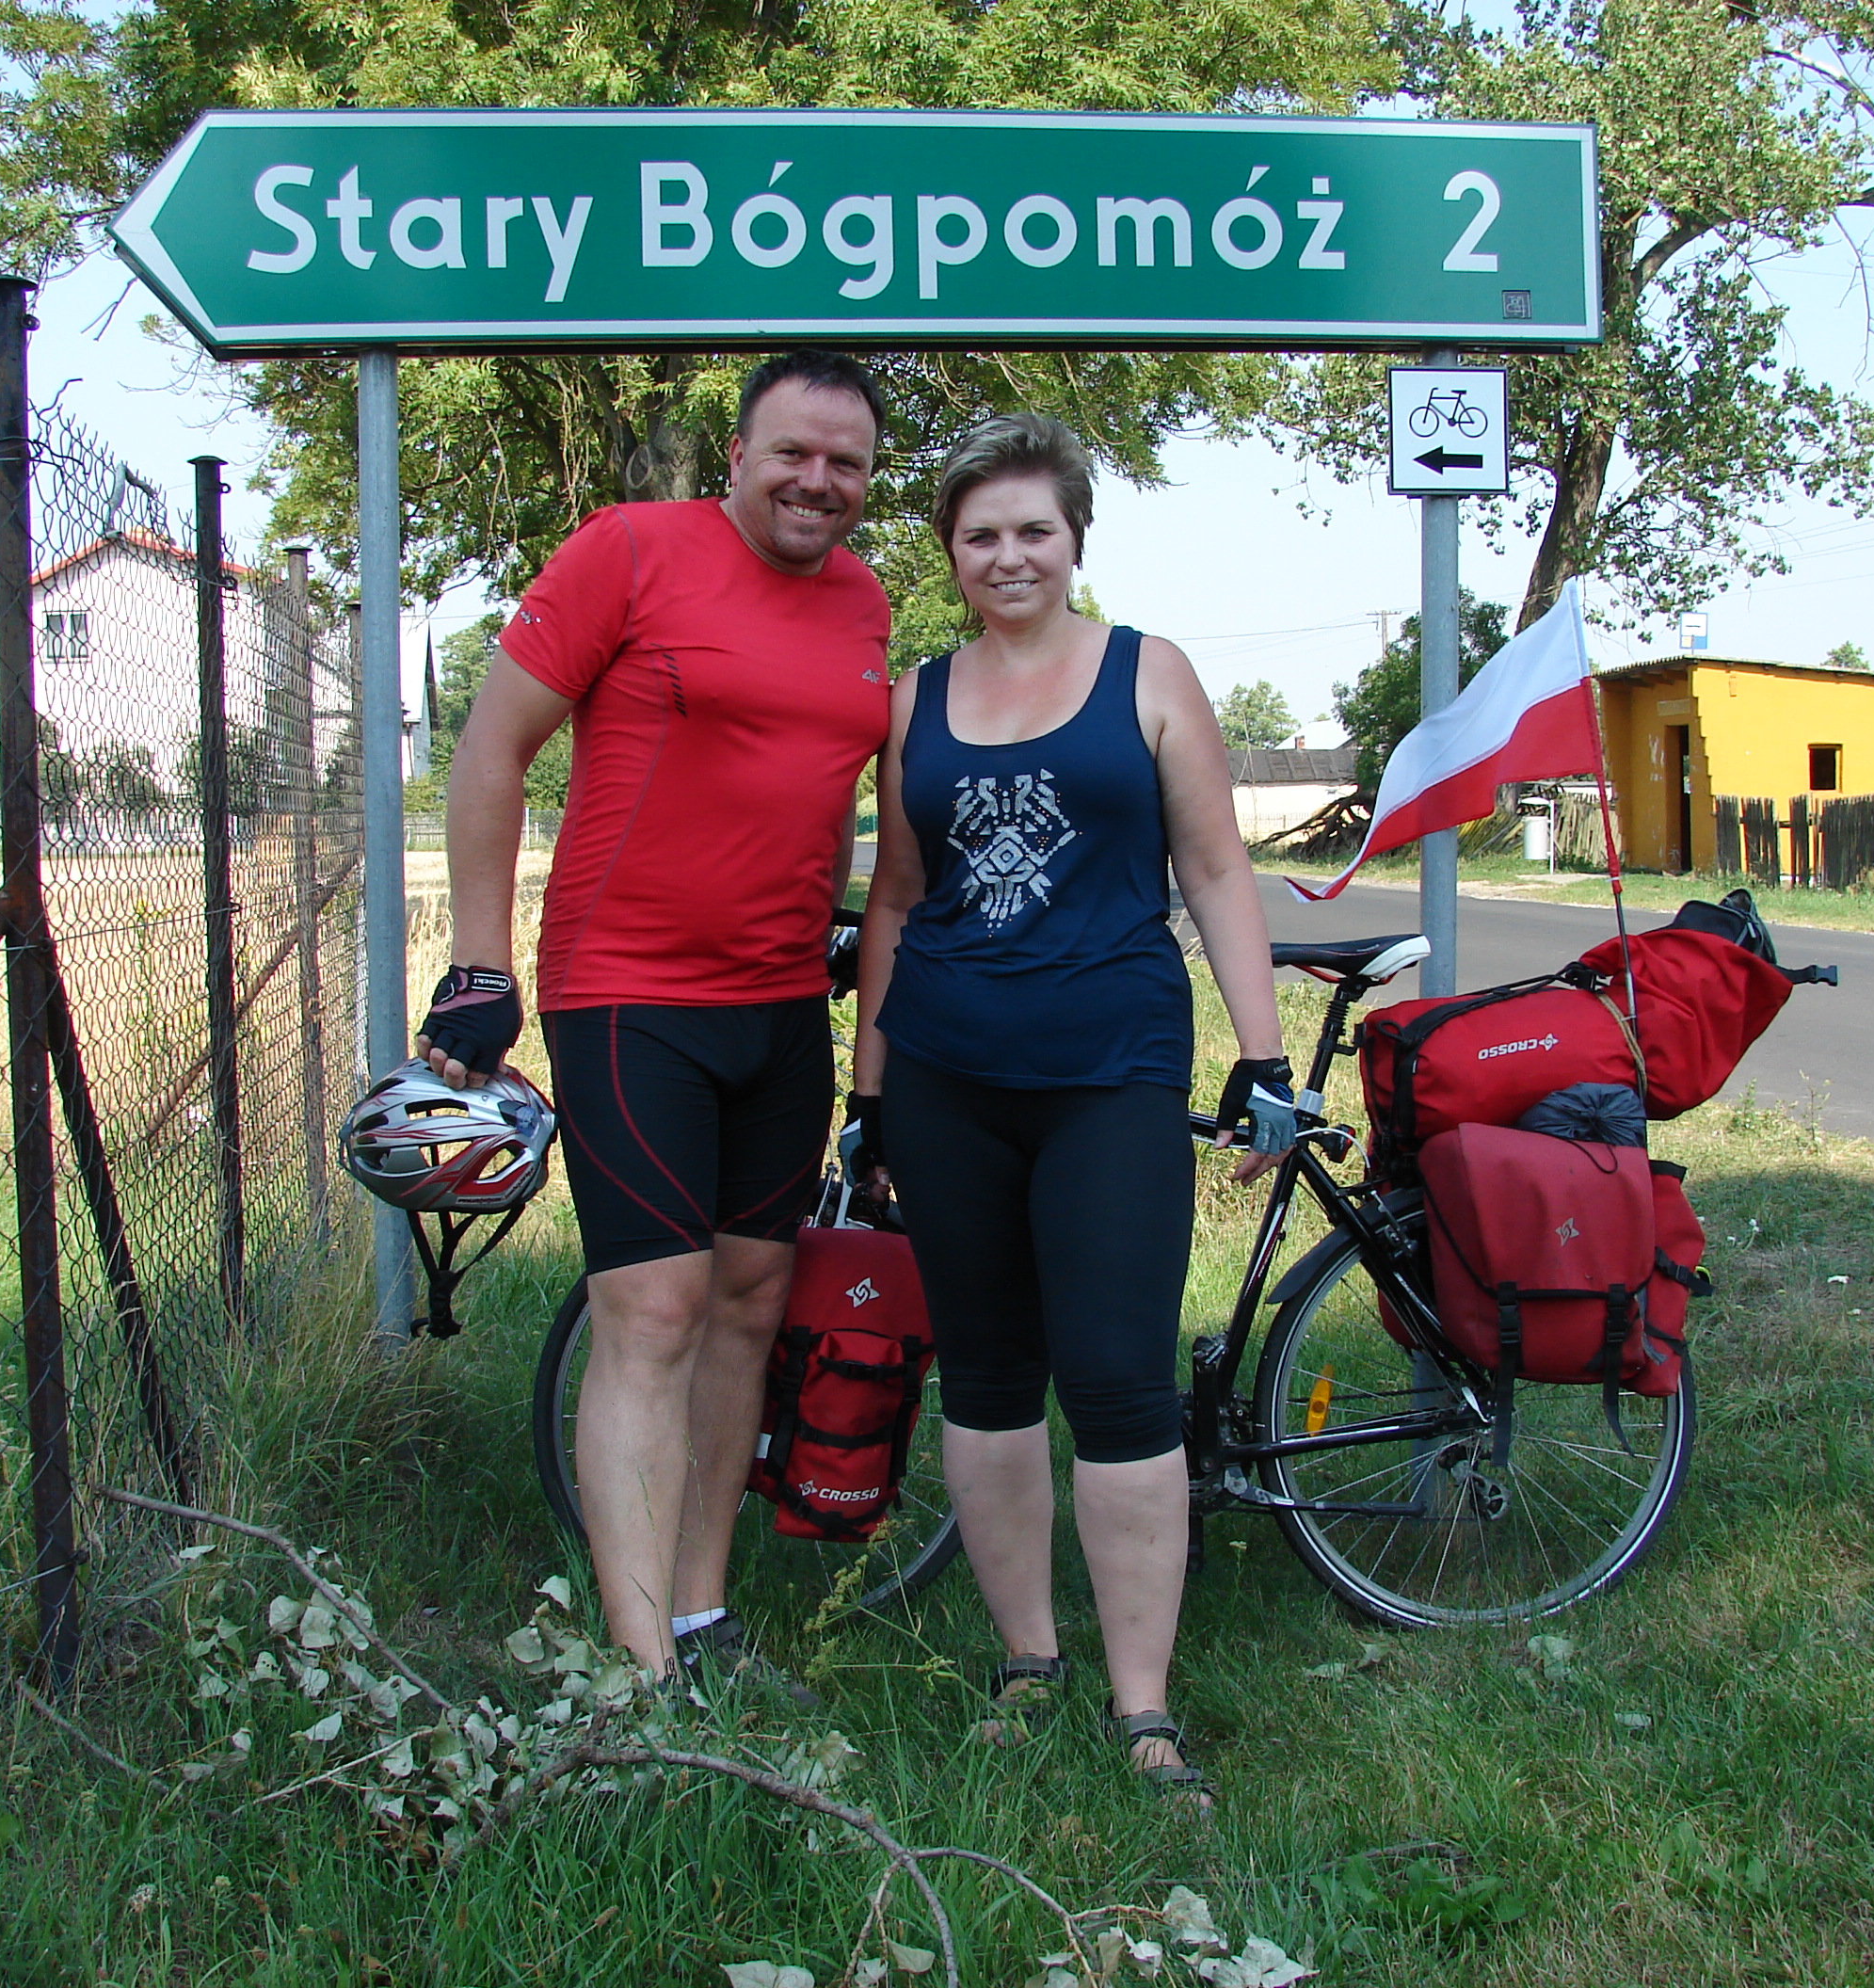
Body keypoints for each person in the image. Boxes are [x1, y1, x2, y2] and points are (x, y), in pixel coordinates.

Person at [417, 351, 892, 1688]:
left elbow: (816, 786)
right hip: (629, 995)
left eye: (845, 463)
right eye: (791, 453)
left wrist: (838, 917)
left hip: (782, 1007)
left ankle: (699, 1615)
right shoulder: (627, 550)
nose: (817, 481)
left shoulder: (865, 599)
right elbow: (491, 749)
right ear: (738, 456)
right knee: (656, 1308)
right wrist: (476, 963)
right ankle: (641, 1672)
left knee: (750, 1302)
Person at [848, 412, 1297, 1803]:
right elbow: (899, 898)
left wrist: (1263, 1054)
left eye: (1034, 529)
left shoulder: (1148, 673)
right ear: (950, 552)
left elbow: (1214, 871)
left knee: (1117, 1379)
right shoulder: (918, 699)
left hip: (1111, 1074)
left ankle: (1143, 1703)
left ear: (1075, 538)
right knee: (986, 1380)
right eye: (980, 534)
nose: (1009, 555)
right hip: (946, 1078)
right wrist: (869, 1091)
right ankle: (1028, 1662)